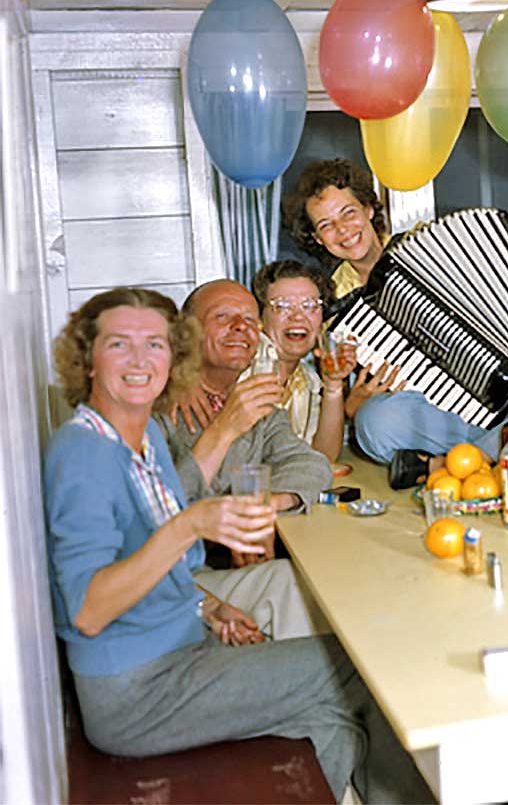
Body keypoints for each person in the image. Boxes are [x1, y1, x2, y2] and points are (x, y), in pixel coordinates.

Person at [42, 287, 431, 802]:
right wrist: (190, 525)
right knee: (365, 667)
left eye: (155, 345)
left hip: (184, 648)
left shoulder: (138, 439)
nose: (141, 361)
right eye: (119, 345)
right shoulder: (84, 453)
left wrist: (206, 605)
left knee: (330, 720)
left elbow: (141, 556)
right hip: (139, 693)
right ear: (86, 359)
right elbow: (88, 610)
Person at [282, 157, 508, 471]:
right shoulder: (334, 310)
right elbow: (353, 406)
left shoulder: (431, 245)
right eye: (326, 224)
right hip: (442, 416)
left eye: (349, 212)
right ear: (316, 238)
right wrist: (354, 403)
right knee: (375, 424)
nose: (342, 229)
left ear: (369, 209)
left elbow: (505, 288)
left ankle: (460, 464)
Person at [157, 279, 332, 639]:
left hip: (233, 572)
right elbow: (154, 515)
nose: (241, 328)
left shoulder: (254, 403)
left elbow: (312, 465)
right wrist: (223, 428)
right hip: (168, 584)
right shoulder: (156, 404)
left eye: (250, 319)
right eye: (223, 316)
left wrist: (261, 509)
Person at [250, 259, 357, 462]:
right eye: (282, 306)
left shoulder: (308, 380)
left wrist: (333, 386)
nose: (297, 317)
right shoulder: (242, 362)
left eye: (310, 306)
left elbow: (323, 456)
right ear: (260, 318)